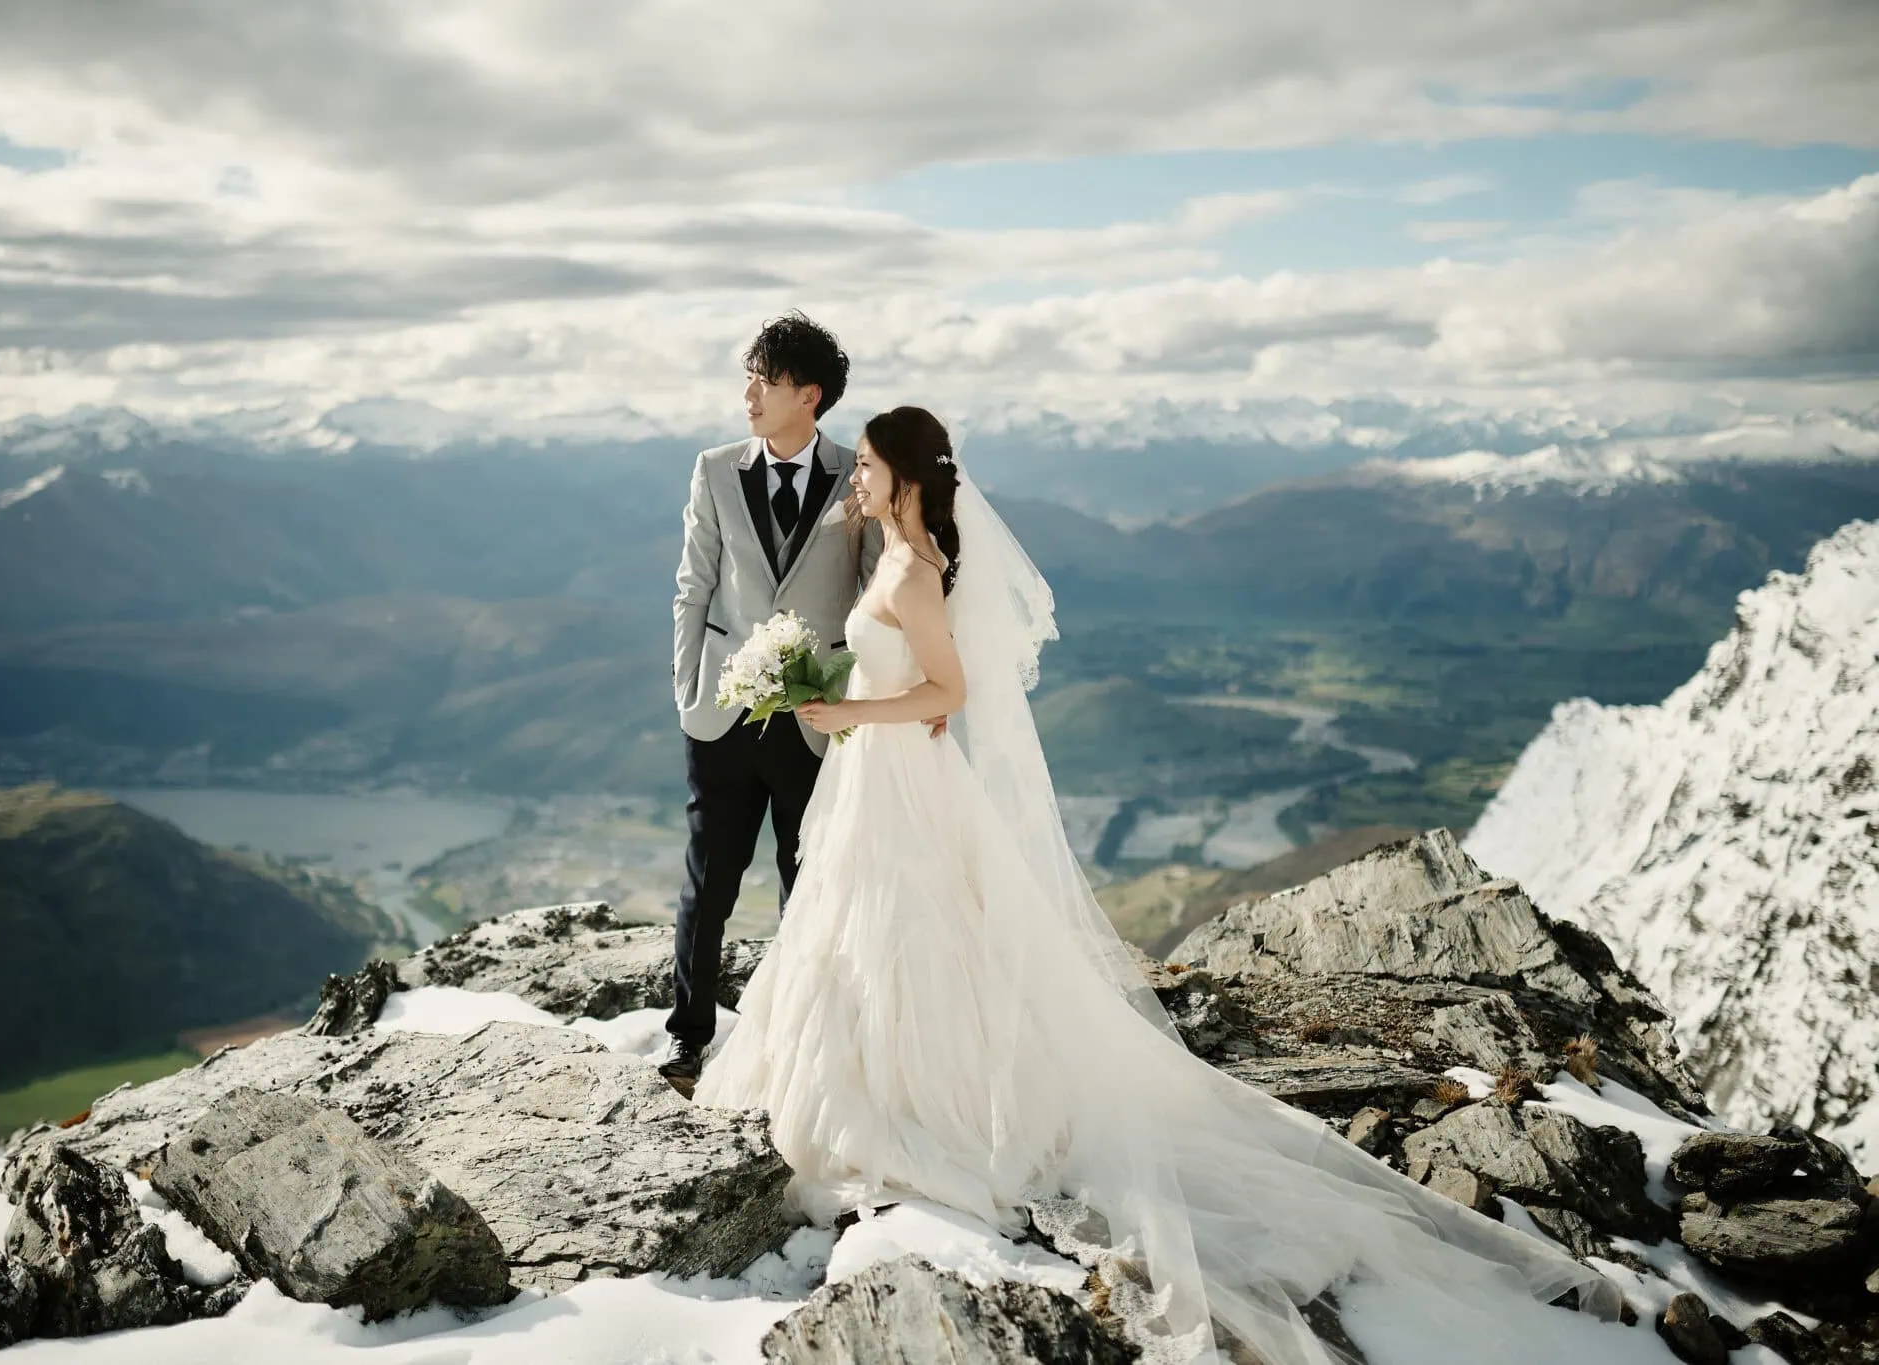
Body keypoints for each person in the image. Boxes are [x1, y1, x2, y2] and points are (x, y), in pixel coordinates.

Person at [694, 406, 1626, 1364]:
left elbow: (950, 691)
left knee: (905, 926)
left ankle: (928, 1099)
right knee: (863, 925)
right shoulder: (893, 554)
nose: (855, 477)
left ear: (905, 476)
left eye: (867, 466)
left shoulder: (914, 571)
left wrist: (850, 710)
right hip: (879, 773)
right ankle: (874, 1072)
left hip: (899, 775)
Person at [662, 312, 881, 1095]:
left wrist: (857, 695)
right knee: (710, 882)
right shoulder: (714, 468)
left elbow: (874, 592)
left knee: (808, 881)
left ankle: (799, 1043)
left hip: (817, 721)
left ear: (809, 395)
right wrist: (688, 689)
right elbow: (693, 586)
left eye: (766, 381)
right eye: (748, 378)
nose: (749, 395)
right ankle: (687, 1038)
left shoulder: (858, 475)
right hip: (723, 712)